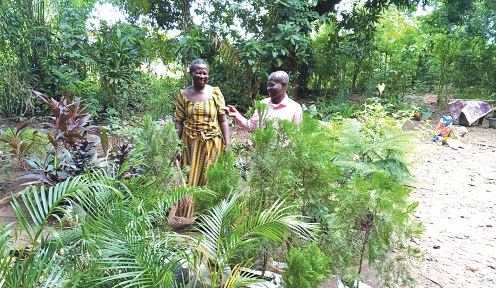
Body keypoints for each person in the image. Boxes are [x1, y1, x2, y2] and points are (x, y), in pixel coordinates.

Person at [175, 59, 231, 187]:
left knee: (210, 177)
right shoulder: (184, 95)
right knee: (190, 178)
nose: (202, 76)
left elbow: (223, 120)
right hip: (189, 144)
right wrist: (176, 146)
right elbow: (179, 122)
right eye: (198, 73)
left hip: (212, 143)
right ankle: (190, 206)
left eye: (205, 73)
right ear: (191, 74)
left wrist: (228, 144)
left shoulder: (215, 93)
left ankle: (207, 205)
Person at [222, 70, 302, 131]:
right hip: (262, 152)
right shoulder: (263, 104)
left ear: (284, 85)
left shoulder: (294, 108)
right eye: (268, 85)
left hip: (283, 152)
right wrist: (236, 115)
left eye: (272, 85)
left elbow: (296, 136)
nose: (269, 88)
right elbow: (252, 126)